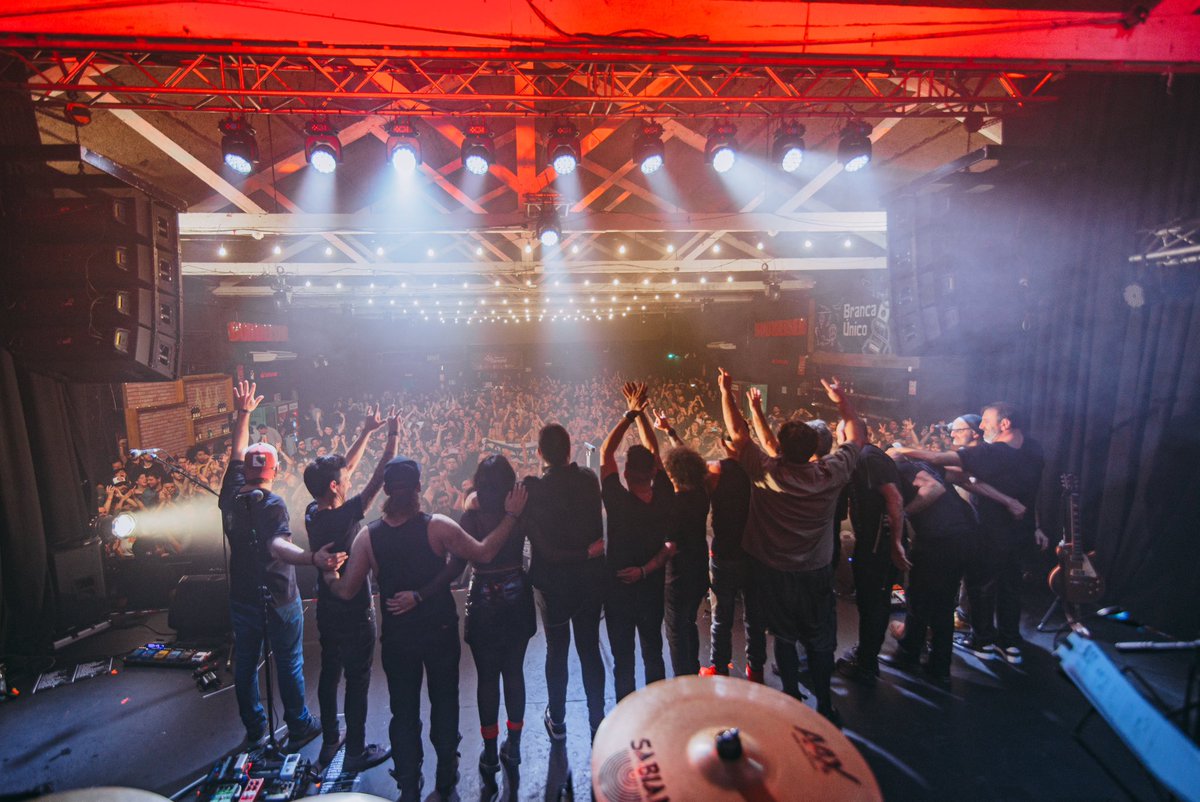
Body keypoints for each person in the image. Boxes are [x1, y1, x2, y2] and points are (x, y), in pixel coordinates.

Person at [322, 456, 526, 802]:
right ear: (418, 489)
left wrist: (327, 571)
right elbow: (484, 553)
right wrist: (510, 517)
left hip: (398, 638)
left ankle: (408, 782)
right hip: (439, 631)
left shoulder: (367, 538)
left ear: (386, 491)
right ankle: (445, 779)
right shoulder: (438, 526)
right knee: (444, 703)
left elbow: (345, 591)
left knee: (403, 710)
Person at [718, 368, 865, 725]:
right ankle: (825, 703)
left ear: (779, 447)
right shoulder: (831, 473)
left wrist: (726, 391)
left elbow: (738, 434)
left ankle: (790, 696)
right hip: (815, 570)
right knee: (819, 637)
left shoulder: (767, 472)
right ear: (815, 449)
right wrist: (842, 403)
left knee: (783, 636)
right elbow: (859, 437)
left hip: (772, 570)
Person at [219, 380, 346, 751]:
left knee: (245, 664)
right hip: (278, 595)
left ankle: (256, 728)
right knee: (289, 660)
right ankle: (298, 723)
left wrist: (243, 413)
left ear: (245, 470)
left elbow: (235, 452)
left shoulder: (230, 494)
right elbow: (277, 544)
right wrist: (310, 558)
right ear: (273, 471)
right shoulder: (272, 504)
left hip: (242, 595)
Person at [889, 402, 1046, 665]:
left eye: (986, 420)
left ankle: (982, 641)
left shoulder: (993, 451)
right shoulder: (1034, 449)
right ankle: (1010, 643)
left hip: (988, 530)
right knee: (1011, 586)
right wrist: (1026, 515)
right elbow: (1023, 493)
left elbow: (940, 461)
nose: (983, 425)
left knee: (980, 586)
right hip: (1021, 530)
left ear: (1004, 424)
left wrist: (899, 449)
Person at [303, 403, 397, 770]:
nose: (349, 477)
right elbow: (375, 478)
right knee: (357, 679)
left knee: (330, 672)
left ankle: (331, 740)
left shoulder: (315, 512)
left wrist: (365, 433)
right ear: (334, 486)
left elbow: (349, 468)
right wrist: (389, 438)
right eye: (343, 478)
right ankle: (356, 751)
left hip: (326, 606)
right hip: (354, 608)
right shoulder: (345, 514)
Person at [521, 423, 607, 742]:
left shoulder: (535, 489)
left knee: (557, 650)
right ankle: (597, 719)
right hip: (588, 582)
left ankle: (557, 720)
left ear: (540, 453)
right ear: (570, 449)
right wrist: (587, 553)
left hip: (553, 585)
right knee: (589, 649)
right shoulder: (588, 479)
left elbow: (544, 547)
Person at [460, 455, 537, 789]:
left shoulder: (471, 514)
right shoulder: (520, 511)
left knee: (487, 678)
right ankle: (515, 746)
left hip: (484, 601)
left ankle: (490, 752)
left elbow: (464, 558)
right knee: (514, 671)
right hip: (516, 594)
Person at [601, 382, 676, 702]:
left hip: (618, 591)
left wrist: (631, 414)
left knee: (623, 662)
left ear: (627, 473)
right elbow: (655, 454)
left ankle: (626, 717)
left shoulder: (617, 500)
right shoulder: (664, 494)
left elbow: (605, 453)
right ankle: (657, 714)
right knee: (653, 653)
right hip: (651, 587)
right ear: (653, 472)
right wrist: (646, 571)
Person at [881, 456, 977, 687]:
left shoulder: (899, 466)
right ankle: (939, 666)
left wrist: (902, 514)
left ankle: (909, 654)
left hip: (941, 539)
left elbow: (934, 488)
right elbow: (963, 477)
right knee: (942, 602)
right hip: (962, 535)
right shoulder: (922, 464)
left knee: (919, 597)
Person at [835, 425, 907, 685]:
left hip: (879, 544)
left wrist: (896, 541)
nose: (838, 440)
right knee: (869, 602)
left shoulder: (869, 457)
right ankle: (866, 654)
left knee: (873, 603)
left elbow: (895, 499)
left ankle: (866, 663)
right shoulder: (862, 458)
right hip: (871, 541)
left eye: (842, 434)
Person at [651, 408, 711, 677]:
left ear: (673, 473)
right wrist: (670, 432)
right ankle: (694, 669)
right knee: (689, 623)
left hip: (677, 579)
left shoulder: (675, 506)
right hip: (700, 571)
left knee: (676, 632)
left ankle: (684, 681)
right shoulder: (701, 492)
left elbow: (670, 548)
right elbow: (687, 458)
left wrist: (646, 567)